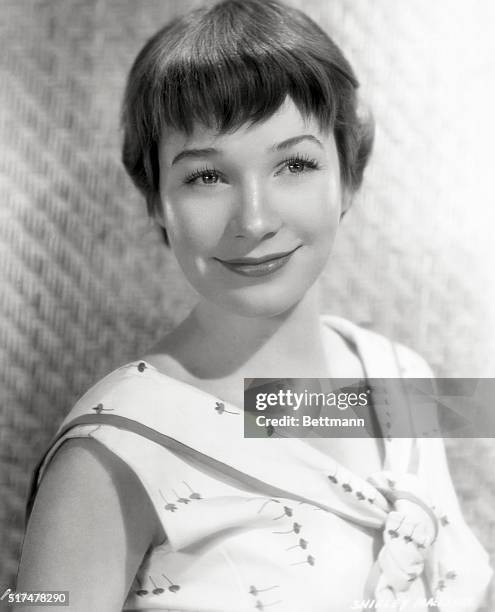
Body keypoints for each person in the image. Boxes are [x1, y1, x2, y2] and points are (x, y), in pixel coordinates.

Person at [16, 1, 492, 611]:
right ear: (155, 200)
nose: (256, 219)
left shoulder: (404, 378)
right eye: (206, 177)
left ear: (348, 176)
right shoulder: (111, 454)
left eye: (294, 164)